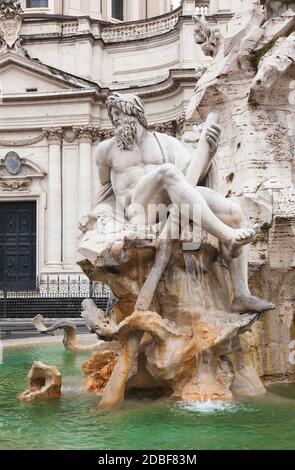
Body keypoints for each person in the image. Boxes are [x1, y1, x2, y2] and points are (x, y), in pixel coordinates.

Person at [93, 92, 275, 314]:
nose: (116, 120)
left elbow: (190, 177)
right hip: (139, 211)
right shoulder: (106, 150)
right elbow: (105, 190)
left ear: (135, 114)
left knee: (233, 212)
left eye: (119, 113)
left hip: (172, 204)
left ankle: (241, 294)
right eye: (113, 116)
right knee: (168, 172)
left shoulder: (165, 142)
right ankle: (227, 236)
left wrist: (209, 151)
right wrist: (101, 216)